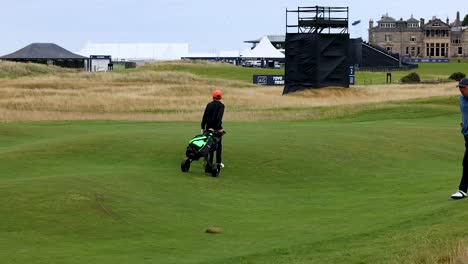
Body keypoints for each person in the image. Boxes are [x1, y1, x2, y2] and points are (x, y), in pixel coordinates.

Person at [451, 78, 468, 199]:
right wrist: (463, 123)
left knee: (467, 163)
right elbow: (464, 114)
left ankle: (462, 190)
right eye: (460, 87)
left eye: (463, 87)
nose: (461, 90)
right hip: (466, 135)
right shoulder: (461, 99)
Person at [201, 89, 225, 172]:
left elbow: (204, 117)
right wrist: (220, 128)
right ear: (220, 97)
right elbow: (219, 118)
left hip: (208, 128)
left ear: (213, 96)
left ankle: (208, 164)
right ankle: (218, 163)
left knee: (209, 146)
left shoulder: (209, 104)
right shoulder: (221, 106)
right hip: (216, 129)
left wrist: (203, 128)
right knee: (218, 146)